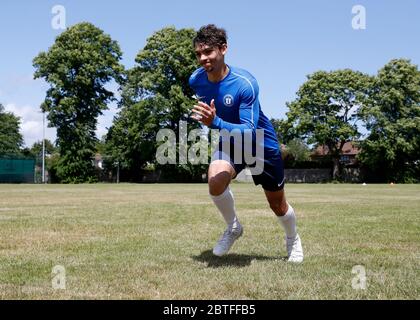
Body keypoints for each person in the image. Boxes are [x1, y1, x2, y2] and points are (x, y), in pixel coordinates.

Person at [189, 24, 303, 263]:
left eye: (208, 52)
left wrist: (215, 121)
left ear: (223, 49)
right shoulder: (196, 81)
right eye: (198, 53)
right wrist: (212, 120)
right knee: (215, 179)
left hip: (261, 143)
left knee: (277, 205)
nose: (203, 58)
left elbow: (249, 129)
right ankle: (233, 228)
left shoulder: (245, 83)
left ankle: (293, 239)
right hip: (231, 141)